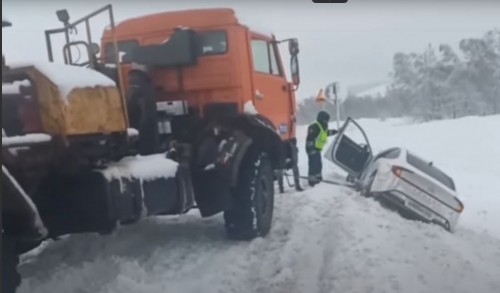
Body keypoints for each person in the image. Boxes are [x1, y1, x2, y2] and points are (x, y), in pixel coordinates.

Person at [127, 62, 159, 155]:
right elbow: (147, 113)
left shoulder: (130, 86)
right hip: (144, 130)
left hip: (134, 128)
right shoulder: (143, 86)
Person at [305, 111, 338, 187]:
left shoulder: (322, 127)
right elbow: (310, 138)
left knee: (318, 164)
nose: (327, 121)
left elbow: (326, 133)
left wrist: (335, 131)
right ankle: (312, 181)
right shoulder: (314, 126)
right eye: (326, 119)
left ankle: (318, 179)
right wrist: (311, 149)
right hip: (312, 149)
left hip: (317, 150)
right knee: (313, 165)